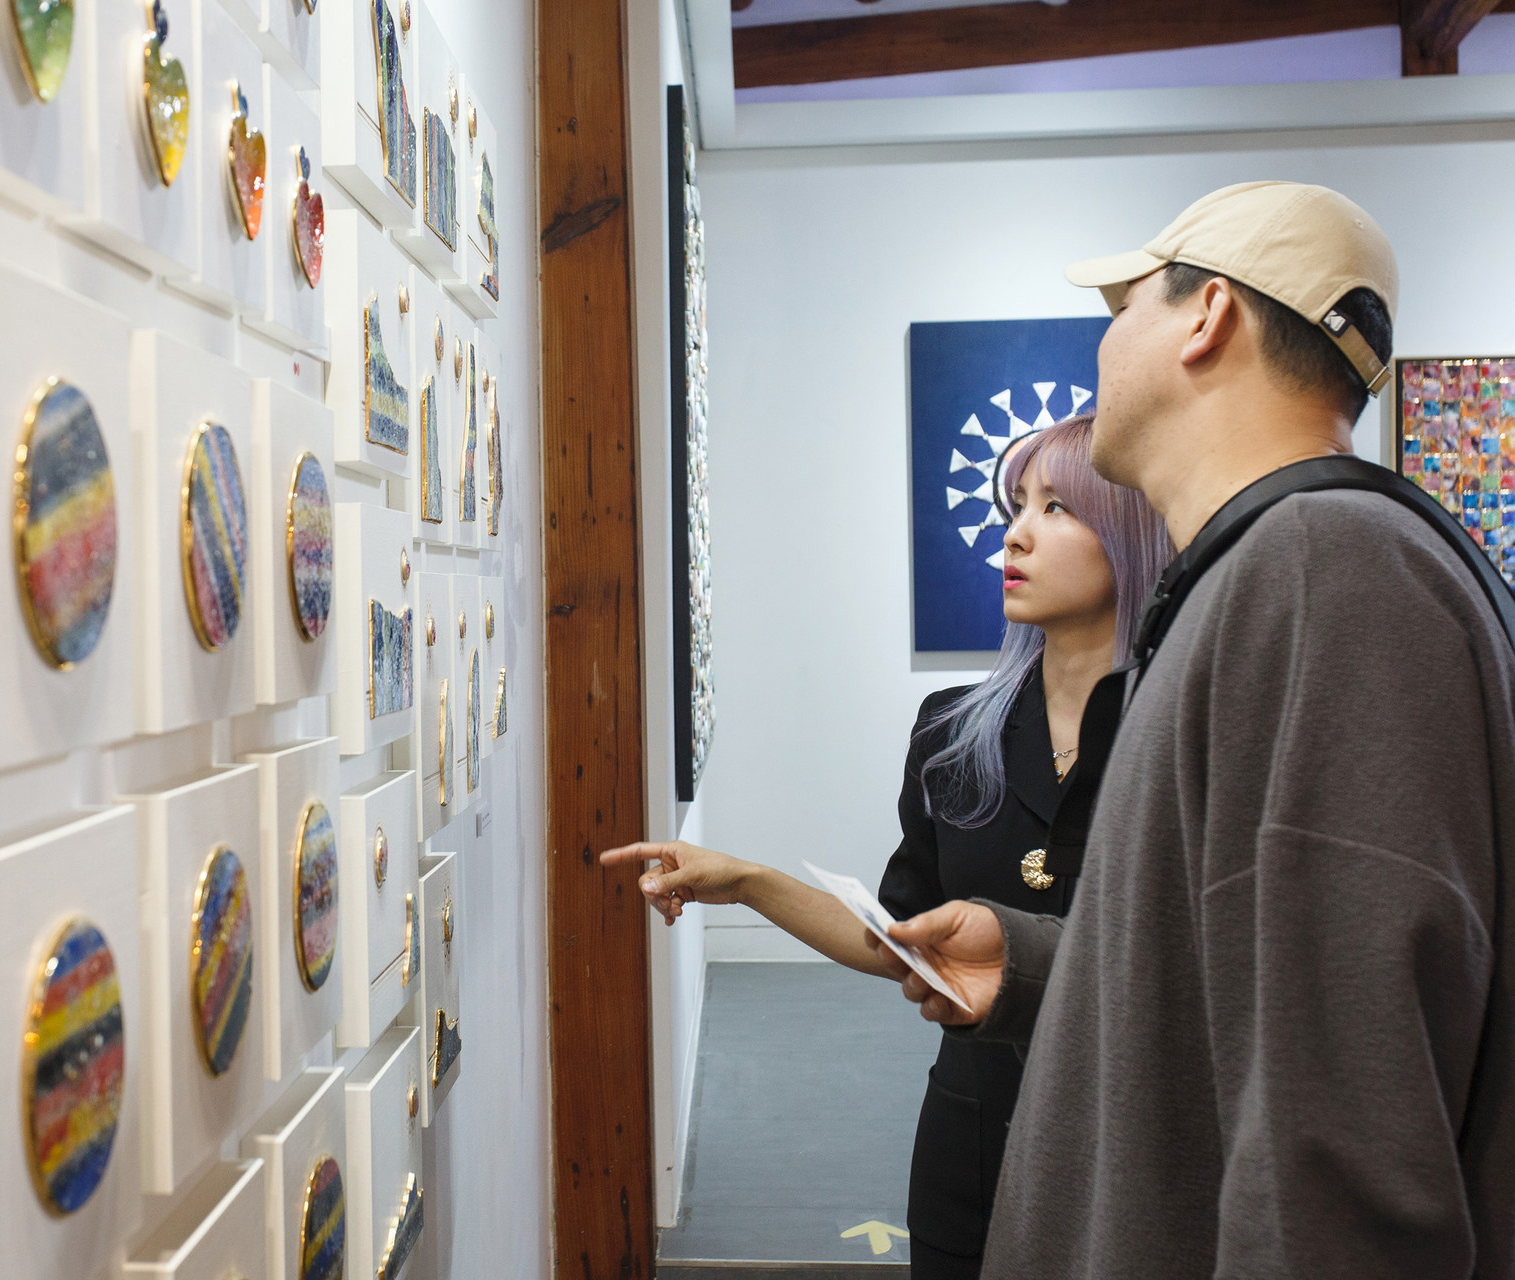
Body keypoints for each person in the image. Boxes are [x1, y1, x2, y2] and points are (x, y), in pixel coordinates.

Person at [888, 181, 1515, 1278]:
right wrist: (1034, 965)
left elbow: (1345, 1142)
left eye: (1124, 307)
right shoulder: (1273, 572)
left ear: (1208, 316)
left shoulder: (1327, 570)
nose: (1104, 343)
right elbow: (1251, 970)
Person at [602, 415, 1171, 1279]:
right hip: (974, 1143)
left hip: (1133, 1151)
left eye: (1057, 508)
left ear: (1129, 534)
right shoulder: (953, 733)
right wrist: (748, 882)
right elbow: (902, 936)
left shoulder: (1180, 735)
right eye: (1017, 505)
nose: (1016, 534)